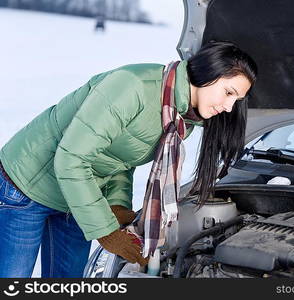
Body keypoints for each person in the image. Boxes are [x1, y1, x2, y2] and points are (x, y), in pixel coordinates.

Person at [0, 40, 257, 278]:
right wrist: (106, 230)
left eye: (237, 100)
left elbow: (121, 160)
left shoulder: (180, 120)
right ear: (208, 73)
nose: (229, 107)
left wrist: (116, 206)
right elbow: (71, 158)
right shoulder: (132, 87)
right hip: (28, 186)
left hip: (77, 196)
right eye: (229, 93)